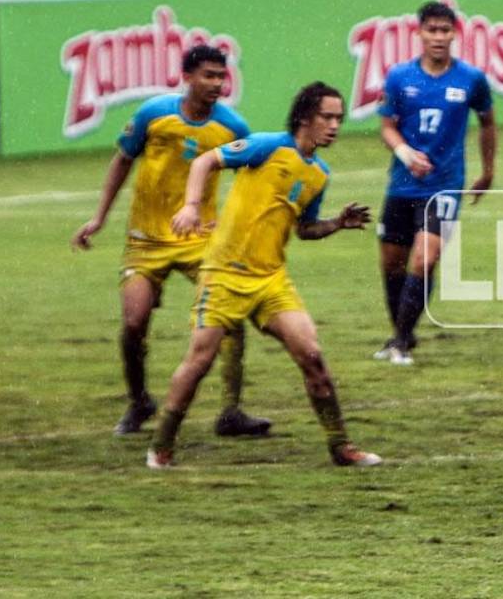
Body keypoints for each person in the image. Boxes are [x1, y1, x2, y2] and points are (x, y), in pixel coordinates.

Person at [146, 82, 381, 469]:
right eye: (328, 117)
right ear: (305, 116)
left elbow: (304, 229)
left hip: (270, 280)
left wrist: (336, 223)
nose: (335, 125)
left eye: (339, 118)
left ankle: (341, 446)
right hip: (224, 275)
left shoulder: (319, 174)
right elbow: (205, 161)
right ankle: (162, 444)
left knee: (313, 357)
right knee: (200, 360)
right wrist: (191, 207)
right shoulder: (268, 146)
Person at [71, 45, 270, 438]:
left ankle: (231, 411)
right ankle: (139, 400)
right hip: (146, 240)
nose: (216, 83)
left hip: (200, 240)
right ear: (187, 76)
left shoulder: (233, 127)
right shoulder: (153, 114)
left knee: (229, 318)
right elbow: (122, 162)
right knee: (134, 322)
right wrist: (99, 217)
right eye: (208, 75)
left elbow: (258, 176)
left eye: (221, 76)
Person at [373, 1, 496, 366]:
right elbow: (386, 125)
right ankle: (403, 333)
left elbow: (488, 122)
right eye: (432, 30)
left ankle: (399, 342)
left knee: (425, 258)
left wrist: (488, 170)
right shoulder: (399, 77)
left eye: (445, 31)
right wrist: (405, 153)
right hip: (401, 185)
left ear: (454, 33)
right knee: (392, 264)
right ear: (420, 33)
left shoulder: (471, 79)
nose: (439, 37)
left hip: (444, 185)